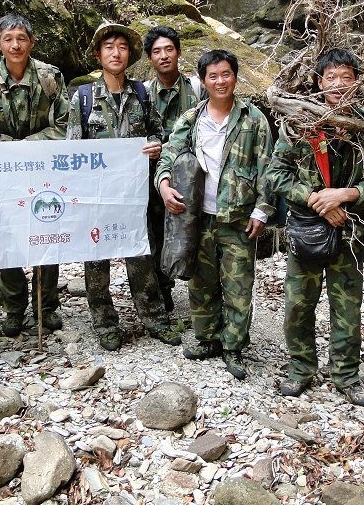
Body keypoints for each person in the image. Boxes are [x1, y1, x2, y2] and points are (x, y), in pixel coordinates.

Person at [266, 49, 364, 404]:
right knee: (298, 304)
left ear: (358, 82)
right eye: (330, 77)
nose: (338, 84)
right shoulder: (299, 124)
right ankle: (300, 368)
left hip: (350, 231)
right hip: (307, 228)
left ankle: (347, 375)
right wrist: (316, 199)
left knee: (347, 306)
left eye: (346, 77)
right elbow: (276, 174)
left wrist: (346, 194)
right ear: (319, 83)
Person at [156, 49, 274, 380]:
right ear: (203, 81)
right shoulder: (192, 119)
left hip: (237, 218)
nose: (220, 81)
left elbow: (268, 168)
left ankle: (233, 346)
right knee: (201, 282)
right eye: (213, 76)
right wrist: (164, 185)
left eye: (226, 74)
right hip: (199, 216)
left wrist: (262, 209)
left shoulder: (253, 119)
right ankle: (207, 338)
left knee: (238, 285)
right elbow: (169, 153)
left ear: (235, 77)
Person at [65, 22, 181, 351]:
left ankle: (155, 319)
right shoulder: (83, 98)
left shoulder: (142, 95)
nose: (116, 53)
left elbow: (160, 134)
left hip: (134, 195)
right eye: (108, 47)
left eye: (122, 47)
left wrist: (156, 146)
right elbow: (73, 151)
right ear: (98, 54)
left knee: (141, 257)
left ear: (129, 55)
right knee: (96, 262)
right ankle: (104, 323)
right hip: (97, 197)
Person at [0, 13, 70, 338]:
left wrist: (27, 147)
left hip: (44, 171)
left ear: (32, 41)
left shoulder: (50, 76)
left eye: (22, 38)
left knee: (47, 233)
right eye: (9, 38)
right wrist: (14, 152)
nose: (16, 45)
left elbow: (65, 126)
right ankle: (14, 308)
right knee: (7, 238)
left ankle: (47, 306)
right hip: (2, 174)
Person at [142, 25, 203, 311]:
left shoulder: (197, 88)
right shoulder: (143, 94)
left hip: (195, 173)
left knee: (197, 228)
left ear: (178, 52)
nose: (164, 56)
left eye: (169, 49)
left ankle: (201, 291)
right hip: (155, 173)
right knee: (155, 230)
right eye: (157, 51)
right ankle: (163, 289)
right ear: (149, 58)